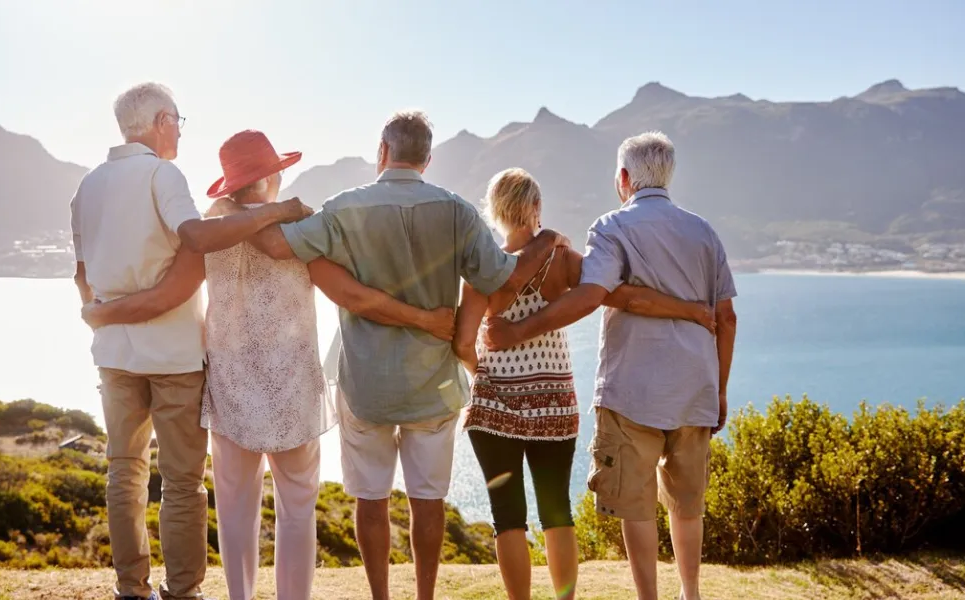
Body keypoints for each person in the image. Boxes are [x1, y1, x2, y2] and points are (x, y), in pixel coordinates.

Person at [82, 130, 454, 600]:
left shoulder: (209, 228)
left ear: (231, 184)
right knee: (297, 510)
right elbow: (349, 292)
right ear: (273, 175)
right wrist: (420, 316)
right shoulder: (299, 230)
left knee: (236, 512)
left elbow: (172, 293)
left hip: (232, 389)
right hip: (293, 390)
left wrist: (104, 311)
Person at [235, 110, 570, 600]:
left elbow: (271, 246)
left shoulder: (343, 209)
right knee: (428, 502)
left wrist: (268, 209)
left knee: (370, 501)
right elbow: (505, 277)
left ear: (382, 151)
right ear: (428, 159)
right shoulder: (457, 211)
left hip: (365, 384)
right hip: (433, 383)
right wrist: (545, 239)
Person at [70, 83, 311, 600]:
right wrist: (277, 210)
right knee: (181, 482)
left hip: (114, 355)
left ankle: (131, 589)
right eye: (178, 119)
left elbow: (82, 278)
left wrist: (105, 313)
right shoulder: (163, 174)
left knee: (124, 473)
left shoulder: (86, 187)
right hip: (174, 355)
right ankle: (183, 592)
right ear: (160, 121)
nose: (180, 128)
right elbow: (197, 241)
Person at [483, 132, 738, 600]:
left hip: (630, 391)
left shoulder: (612, 227)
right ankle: (692, 592)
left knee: (637, 505)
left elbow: (594, 295)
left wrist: (519, 330)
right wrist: (719, 389)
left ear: (624, 178)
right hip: (695, 389)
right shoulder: (705, 232)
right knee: (687, 504)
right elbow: (726, 316)